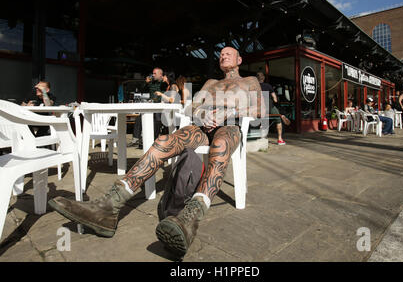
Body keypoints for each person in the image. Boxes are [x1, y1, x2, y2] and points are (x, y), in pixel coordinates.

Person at [48, 46, 265, 257]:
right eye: (221, 54)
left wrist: (228, 113)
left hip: (230, 126)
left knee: (221, 145)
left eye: (229, 53)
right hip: (202, 127)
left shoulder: (250, 82)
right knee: (163, 141)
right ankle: (109, 205)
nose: (223, 55)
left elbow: (260, 111)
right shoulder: (211, 83)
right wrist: (202, 114)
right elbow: (190, 107)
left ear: (239, 60)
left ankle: (190, 219)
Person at [131, 67, 167, 148]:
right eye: (153, 73)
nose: (153, 75)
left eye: (155, 74)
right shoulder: (151, 82)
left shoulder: (164, 82)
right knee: (140, 118)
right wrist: (145, 83)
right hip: (152, 104)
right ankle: (136, 138)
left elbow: (169, 89)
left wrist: (166, 82)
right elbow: (141, 90)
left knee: (157, 120)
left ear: (160, 74)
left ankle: (154, 140)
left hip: (161, 105)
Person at [256, 72, 290, 145]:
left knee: (260, 120)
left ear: (256, 79)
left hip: (258, 108)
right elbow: (275, 99)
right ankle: (280, 139)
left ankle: (261, 137)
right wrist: (275, 100)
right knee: (278, 120)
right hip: (269, 106)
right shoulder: (268, 86)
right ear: (263, 78)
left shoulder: (254, 87)